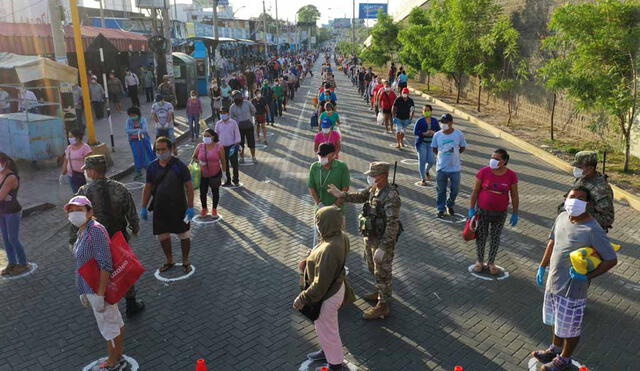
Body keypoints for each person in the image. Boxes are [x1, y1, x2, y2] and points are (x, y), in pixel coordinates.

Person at [532, 186, 617, 371]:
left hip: (573, 288)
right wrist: (542, 266)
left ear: (588, 204)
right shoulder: (562, 217)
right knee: (556, 320)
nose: (574, 201)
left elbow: (611, 259)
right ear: (566, 199)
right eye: (572, 197)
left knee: (570, 328)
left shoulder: (592, 229)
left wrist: (586, 276)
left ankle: (565, 358)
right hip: (553, 282)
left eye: (580, 199)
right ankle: (554, 349)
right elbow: (552, 241)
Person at [70, 155, 145, 317]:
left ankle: (105, 303)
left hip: (94, 241)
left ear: (91, 171)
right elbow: (131, 214)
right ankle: (131, 304)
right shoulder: (120, 188)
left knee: (100, 272)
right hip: (119, 238)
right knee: (124, 268)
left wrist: (72, 240)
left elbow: (75, 218)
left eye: (87, 170)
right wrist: (135, 228)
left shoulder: (84, 192)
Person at [327, 162, 402, 320]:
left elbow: (392, 224)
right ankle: (379, 292)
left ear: (383, 176)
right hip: (370, 237)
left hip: (382, 241)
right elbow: (360, 196)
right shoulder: (374, 189)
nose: (370, 178)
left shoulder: (391, 196)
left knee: (383, 272)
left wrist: (383, 247)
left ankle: (383, 305)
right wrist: (342, 195)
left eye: (373, 175)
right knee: (371, 266)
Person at [66, 195, 126, 371]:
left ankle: (112, 360)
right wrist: (82, 291)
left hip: (99, 288)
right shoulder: (82, 231)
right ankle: (118, 354)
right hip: (89, 287)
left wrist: (100, 294)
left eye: (79, 210)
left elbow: (105, 264)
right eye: (71, 211)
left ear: (90, 211)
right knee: (114, 322)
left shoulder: (96, 231)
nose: (74, 214)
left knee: (108, 327)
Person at [293, 206, 356, 371]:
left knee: (328, 330)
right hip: (337, 288)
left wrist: (302, 298)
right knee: (327, 328)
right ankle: (327, 351)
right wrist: (312, 255)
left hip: (327, 296)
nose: (317, 226)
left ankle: (334, 364)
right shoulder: (340, 237)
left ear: (327, 224)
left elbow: (320, 284)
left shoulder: (329, 249)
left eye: (319, 222)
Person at [140, 137, 195, 274]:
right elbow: (147, 188)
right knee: (163, 236)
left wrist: (190, 207)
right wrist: (143, 207)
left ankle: (185, 260)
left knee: (184, 234)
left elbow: (189, 187)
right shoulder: (152, 167)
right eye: (157, 150)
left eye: (163, 149)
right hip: (160, 207)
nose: (160, 152)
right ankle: (169, 260)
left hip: (179, 207)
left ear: (170, 149)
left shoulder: (179, 166)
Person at [468, 149, 519, 274]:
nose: (493, 160)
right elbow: (475, 191)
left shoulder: (511, 175)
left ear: (504, 161)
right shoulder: (483, 172)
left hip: (500, 213)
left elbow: (514, 195)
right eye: (492, 157)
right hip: (482, 211)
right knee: (481, 236)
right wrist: (471, 208)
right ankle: (479, 261)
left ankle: (491, 262)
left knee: (495, 237)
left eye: (497, 159)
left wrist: (515, 213)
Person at [566, 151, 614, 232]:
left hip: (591, 231)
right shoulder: (581, 179)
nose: (576, 169)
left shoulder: (602, 189)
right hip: (575, 227)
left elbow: (608, 218)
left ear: (591, 168)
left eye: (580, 167)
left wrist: (583, 214)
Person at [431, 113, 467, 218]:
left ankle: (450, 204)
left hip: (455, 168)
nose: (443, 124)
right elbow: (434, 148)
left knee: (455, 190)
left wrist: (455, 154)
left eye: (445, 122)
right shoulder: (437, 135)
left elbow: (462, 147)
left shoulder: (458, 134)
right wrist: (440, 157)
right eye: (442, 122)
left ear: (451, 123)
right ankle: (440, 208)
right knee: (441, 190)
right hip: (441, 168)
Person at [0, 153, 29, 276]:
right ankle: (12, 263)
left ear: (4, 163)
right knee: (6, 239)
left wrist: (4, 196)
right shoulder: (1, 175)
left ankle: (23, 263)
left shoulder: (11, 177)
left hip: (12, 212)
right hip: (2, 211)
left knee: (13, 238)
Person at [192, 129, 227, 218]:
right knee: (202, 192)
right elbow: (194, 157)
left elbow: (223, 160)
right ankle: (204, 208)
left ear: (213, 137)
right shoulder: (200, 146)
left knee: (215, 192)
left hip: (215, 173)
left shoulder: (219, 147)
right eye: (204, 136)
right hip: (203, 174)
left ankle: (214, 209)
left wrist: (224, 173)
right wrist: (199, 162)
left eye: (208, 136)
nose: (206, 138)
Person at [125, 106, 156, 181]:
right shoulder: (128, 121)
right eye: (131, 115)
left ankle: (151, 169)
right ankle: (138, 172)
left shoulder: (142, 119)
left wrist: (135, 131)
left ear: (138, 114)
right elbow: (127, 130)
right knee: (137, 155)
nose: (132, 117)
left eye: (134, 115)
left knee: (147, 154)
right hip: (133, 141)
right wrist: (138, 130)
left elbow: (145, 130)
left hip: (144, 140)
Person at [414, 105, 441, 184]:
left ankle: (426, 171)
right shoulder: (420, 121)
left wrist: (434, 133)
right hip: (421, 143)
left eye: (428, 110)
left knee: (431, 161)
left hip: (431, 144)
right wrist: (424, 133)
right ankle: (423, 178)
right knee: (422, 161)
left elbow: (439, 131)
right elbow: (415, 132)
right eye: (425, 110)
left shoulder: (434, 121)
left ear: (431, 111)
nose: (426, 112)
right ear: (422, 111)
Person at [215, 106, 241, 186]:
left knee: (234, 164)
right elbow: (216, 136)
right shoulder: (218, 124)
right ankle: (227, 180)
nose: (222, 115)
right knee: (224, 165)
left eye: (224, 113)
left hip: (232, 147)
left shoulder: (233, 123)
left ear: (228, 114)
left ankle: (236, 180)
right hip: (222, 148)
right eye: (221, 113)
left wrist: (237, 144)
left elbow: (237, 135)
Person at [61, 129, 92, 193]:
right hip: (72, 176)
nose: (69, 138)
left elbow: (90, 162)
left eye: (71, 136)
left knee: (85, 193)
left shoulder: (85, 148)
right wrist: (63, 173)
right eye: (69, 136)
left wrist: (89, 174)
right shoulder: (69, 148)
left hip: (83, 176)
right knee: (76, 194)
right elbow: (66, 160)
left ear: (77, 137)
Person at [230, 90, 257, 164]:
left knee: (251, 143)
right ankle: (241, 158)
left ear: (241, 96)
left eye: (238, 96)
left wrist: (252, 120)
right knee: (240, 144)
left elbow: (253, 111)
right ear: (233, 98)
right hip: (239, 128)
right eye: (235, 97)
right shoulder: (232, 107)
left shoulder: (247, 103)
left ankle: (253, 157)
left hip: (249, 126)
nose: (237, 98)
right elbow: (231, 118)